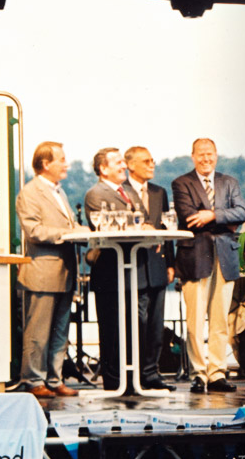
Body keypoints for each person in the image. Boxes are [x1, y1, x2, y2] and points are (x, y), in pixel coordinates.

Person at [172, 137, 245, 393]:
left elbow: (242, 213)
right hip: (195, 257)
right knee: (195, 320)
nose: (206, 159)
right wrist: (225, 220)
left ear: (216, 155)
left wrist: (213, 215)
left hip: (225, 257)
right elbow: (188, 216)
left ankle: (217, 373)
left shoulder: (229, 182)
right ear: (193, 156)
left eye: (210, 154)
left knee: (220, 320)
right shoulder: (181, 183)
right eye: (201, 154)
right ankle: (198, 373)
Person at [14, 141, 87, 398]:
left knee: (60, 331)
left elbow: (70, 224)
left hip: (65, 273)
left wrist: (86, 232)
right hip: (42, 274)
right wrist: (69, 233)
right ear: (46, 164)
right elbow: (34, 231)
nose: (66, 164)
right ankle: (34, 379)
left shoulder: (59, 192)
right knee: (38, 332)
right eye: (62, 159)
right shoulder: (30, 193)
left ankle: (55, 379)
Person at [85, 147, 146, 392]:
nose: (124, 165)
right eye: (118, 162)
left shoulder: (129, 191)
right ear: (103, 169)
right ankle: (113, 382)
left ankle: (131, 380)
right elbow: (108, 227)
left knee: (133, 326)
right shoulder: (95, 193)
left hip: (130, 271)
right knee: (111, 328)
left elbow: (142, 217)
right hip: (110, 272)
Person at [123, 146, 176, 391]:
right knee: (138, 321)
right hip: (133, 266)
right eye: (146, 161)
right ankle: (133, 373)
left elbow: (167, 231)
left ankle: (151, 372)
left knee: (156, 323)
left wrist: (170, 264)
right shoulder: (120, 190)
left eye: (153, 160)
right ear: (130, 165)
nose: (151, 165)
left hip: (157, 266)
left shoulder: (159, 192)